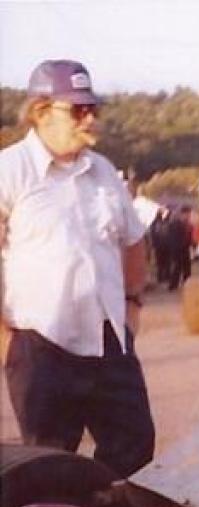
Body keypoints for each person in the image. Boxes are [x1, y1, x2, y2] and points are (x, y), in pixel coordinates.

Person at [0, 59, 155, 476]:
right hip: (41, 344)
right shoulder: (10, 170)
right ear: (41, 112)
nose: (90, 119)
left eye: (93, 109)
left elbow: (133, 240)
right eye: (78, 110)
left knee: (135, 448)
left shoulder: (103, 170)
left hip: (108, 341)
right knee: (49, 466)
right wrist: (6, 340)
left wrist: (132, 304)